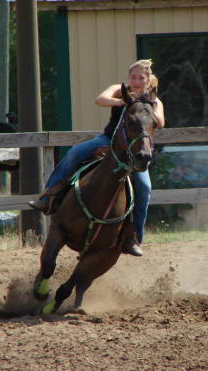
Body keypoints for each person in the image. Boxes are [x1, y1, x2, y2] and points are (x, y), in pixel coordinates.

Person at [29, 59, 165, 257]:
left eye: (141, 78)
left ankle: (133, 236)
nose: (136, 81)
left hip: (133, 150)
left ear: (148, 80)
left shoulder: (153, 100)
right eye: (133, 77)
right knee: (75, 152)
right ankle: (50, 195)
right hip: (108, 140)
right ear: (129, 78)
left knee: (144, 187)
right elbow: (100, 99)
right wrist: (122, 101)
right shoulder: (120, 90)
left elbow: (160, 122)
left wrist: (146, 106)